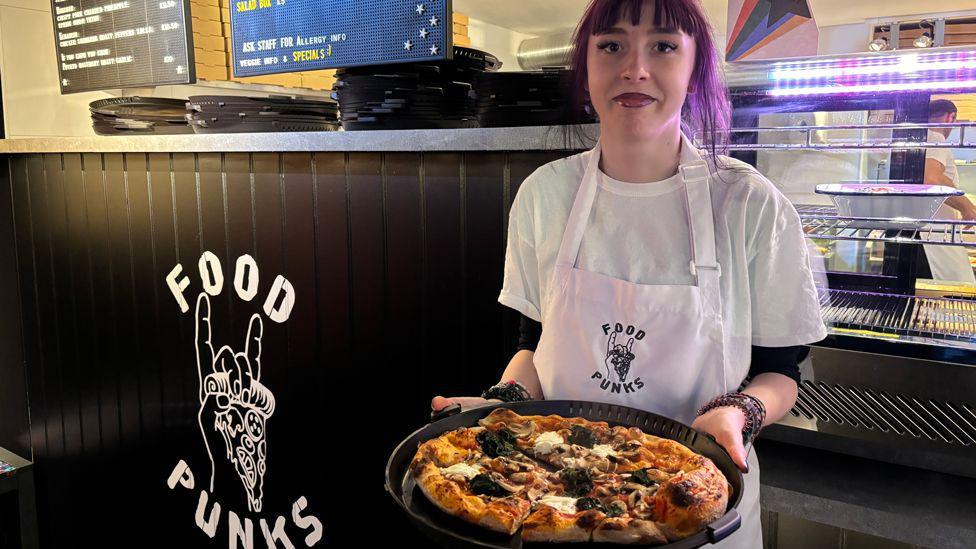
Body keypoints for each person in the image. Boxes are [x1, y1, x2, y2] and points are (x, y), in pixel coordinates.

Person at [431, 1, 827, 546]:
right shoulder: (544, 195)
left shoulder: (750, 203)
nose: (634, 69)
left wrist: (739, 413)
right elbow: (533, 346)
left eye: (663, 46)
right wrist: (507, 404)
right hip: (552, 497)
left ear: (696, 68)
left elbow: (783, 372)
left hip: (694, 500)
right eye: (611, 46)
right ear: (586, 69)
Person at [922, 99, 976, 283]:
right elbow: (932, 180)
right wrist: (967, 207)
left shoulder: (920, 137)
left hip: (928, 237)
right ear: (951, 117)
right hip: (937, 236)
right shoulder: (935, 137)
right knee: (958, 297)